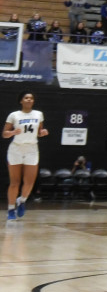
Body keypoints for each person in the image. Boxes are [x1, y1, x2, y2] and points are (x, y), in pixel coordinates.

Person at [4, 92, 47, 220]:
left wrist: (42, 133)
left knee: (29, 182)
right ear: (21, 101)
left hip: (32, 149)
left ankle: (22, 201)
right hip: (16, 148)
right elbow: (4, 134)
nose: (29, 99)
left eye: (31, 98)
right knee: (14, 182)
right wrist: (12, 132)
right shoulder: (14, 115)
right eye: (26, 98)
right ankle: (11, 209)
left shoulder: (38, 114)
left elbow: (38, 132)